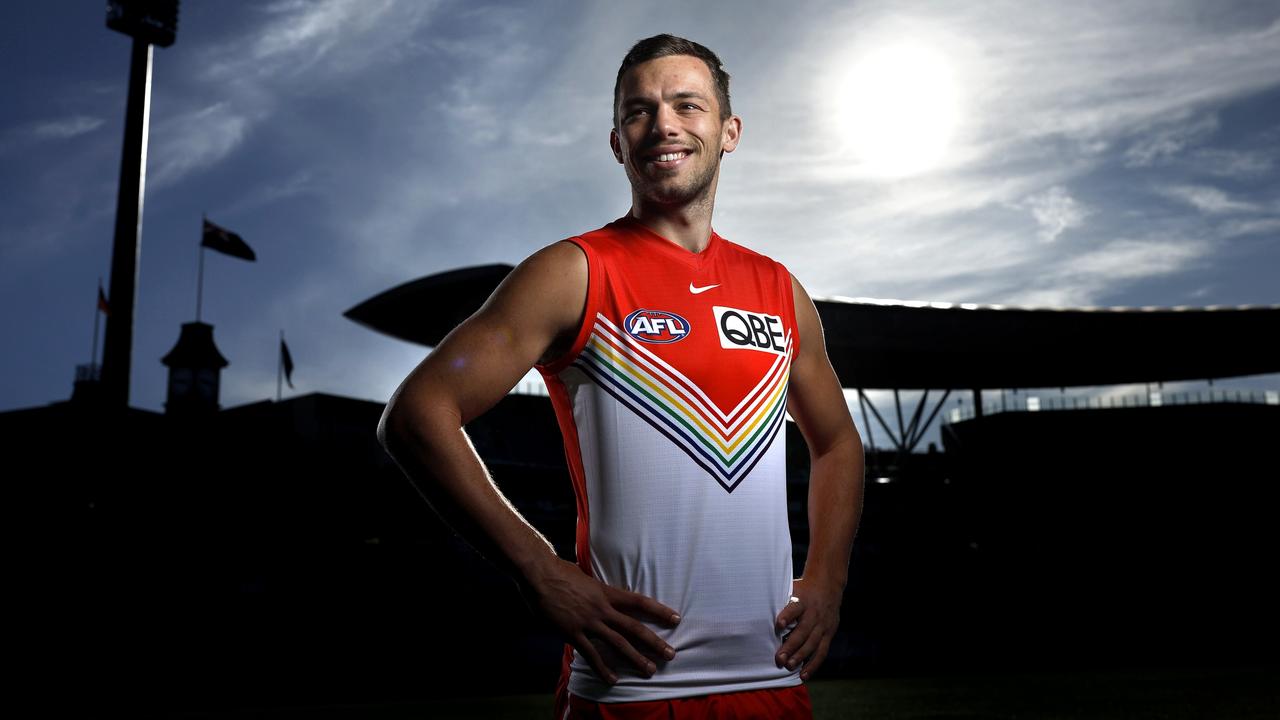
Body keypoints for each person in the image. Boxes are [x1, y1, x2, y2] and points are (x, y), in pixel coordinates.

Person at [378, 33, 864, 720]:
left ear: (729, 132)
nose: (663, 124)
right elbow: (416, 412)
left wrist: (828, 576)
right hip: (631, 690)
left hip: (772, 679)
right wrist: (539, 568)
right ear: (617, 143)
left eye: (687, 106)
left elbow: (838, 443)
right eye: (640, 111)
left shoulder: (781, 292)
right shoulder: (572, 273)